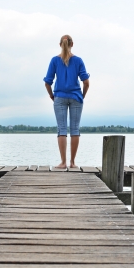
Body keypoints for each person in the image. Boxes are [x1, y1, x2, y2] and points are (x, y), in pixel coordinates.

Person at [43, 35, 90, 169]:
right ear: (72, 44)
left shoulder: (54, 61)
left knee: (62, 129)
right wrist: (82, 96)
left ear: (60, 44)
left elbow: (47, 83)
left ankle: (63, 163)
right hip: (76, 97)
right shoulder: (78, 60)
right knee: (75, 129)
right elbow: (86, 82)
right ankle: (73, 163)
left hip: (60, 97)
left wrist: (52, 96)